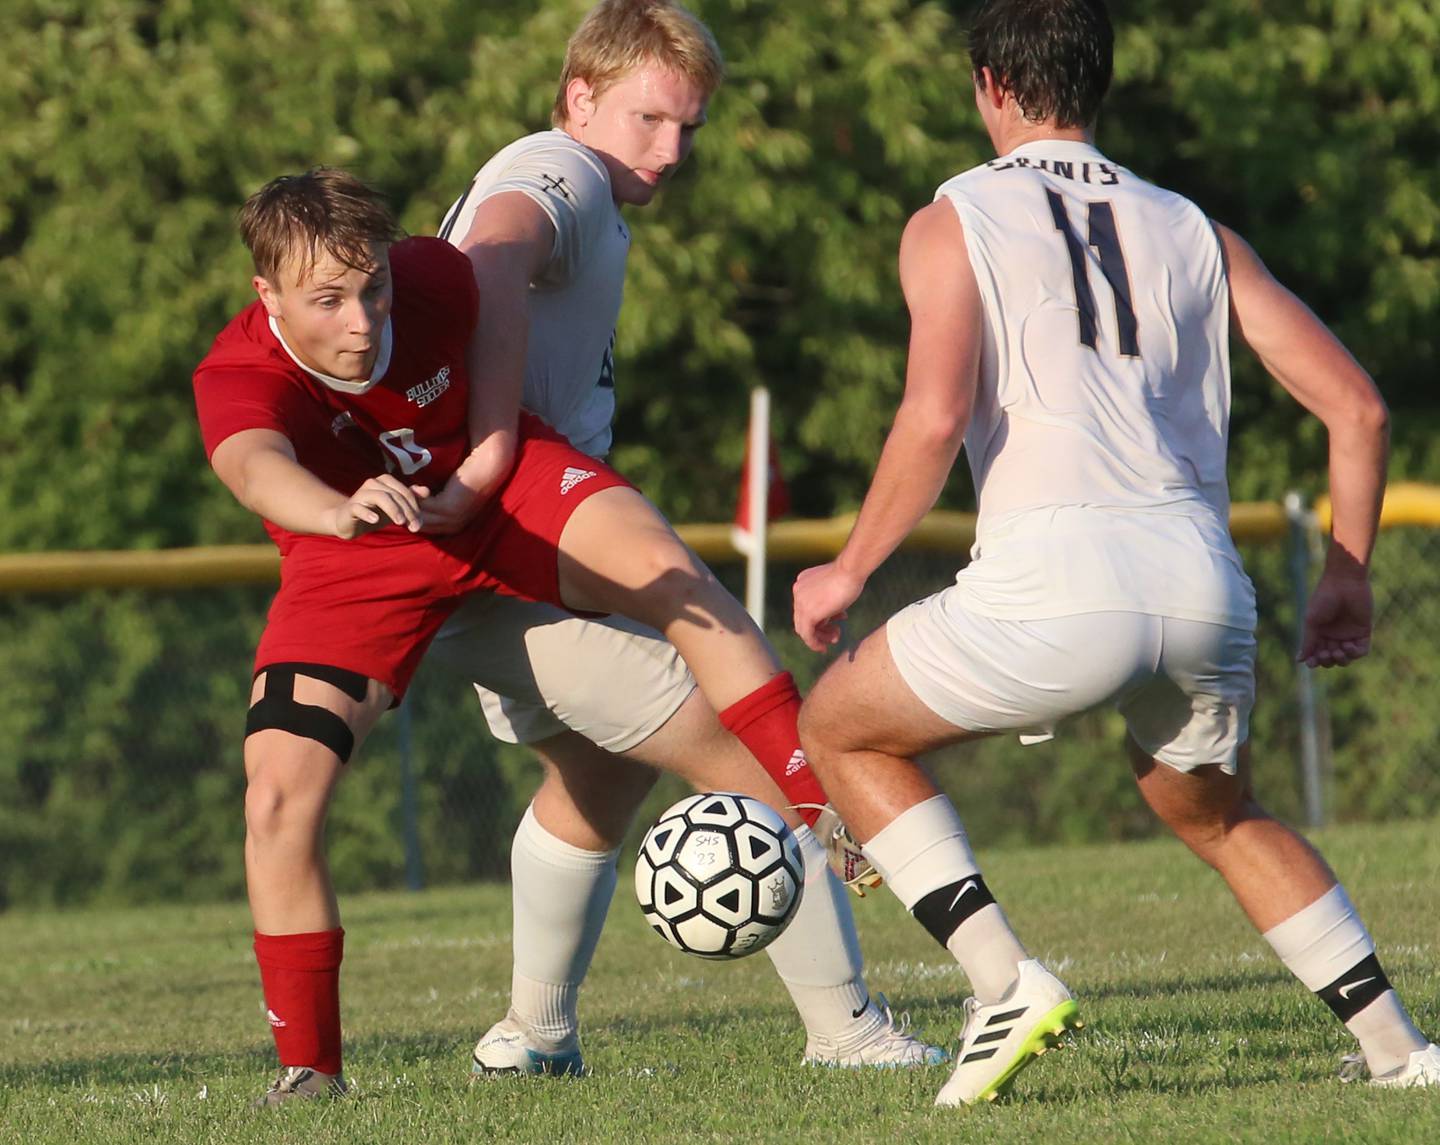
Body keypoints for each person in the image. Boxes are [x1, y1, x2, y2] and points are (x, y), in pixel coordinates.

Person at [791, 0, 1438, 1108]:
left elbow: (936, 415)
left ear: (991, 82)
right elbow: (1361, 412)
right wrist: (1345, 572)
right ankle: (1403, 1051)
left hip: (1058, 579)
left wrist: (848, 568)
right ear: (1099, 84)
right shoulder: (1194, 226)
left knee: (838, 727)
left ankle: (1002, 980)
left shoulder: (953, 217)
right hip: (1202, 584)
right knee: (1220, 813)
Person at [192, 167, 927, 1107]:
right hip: (356, 559)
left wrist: (484, 469)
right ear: (268, 296)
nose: (363, 318)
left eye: (371, 285)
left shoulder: (437, 276)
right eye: (327, 300)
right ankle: (311, 1071)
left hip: (495, 505)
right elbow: (255, 467)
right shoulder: (237, 370)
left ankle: (818, 818)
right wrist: (337, 512)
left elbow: (496, 376)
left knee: (674, 593)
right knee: (276, 797)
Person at [426, 0, 938, 1077]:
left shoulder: (587, 182)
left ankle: (533, 1035)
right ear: (578, 98)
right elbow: (491, 253)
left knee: (600, 776)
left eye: (690, 128)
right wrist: (490, 447)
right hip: (501, 563)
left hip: (521, 559)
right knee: (753, 750)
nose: (672, 148)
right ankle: (847, 1031)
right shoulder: (555, 166)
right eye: (649, 118)